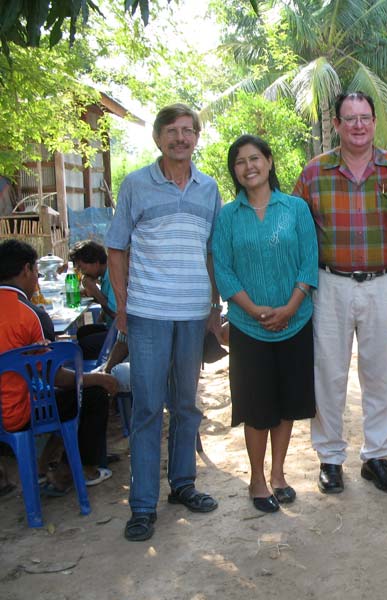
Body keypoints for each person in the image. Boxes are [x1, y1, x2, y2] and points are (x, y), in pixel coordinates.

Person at [293, 92, 387, 495]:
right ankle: (330, 459)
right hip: (329, 283)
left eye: (364, 117)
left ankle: (377, 457)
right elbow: (298, 234)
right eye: (349, 118)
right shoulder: (314, 173)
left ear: (374, 120)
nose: (357, 125)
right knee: (328, 373)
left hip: (383, 283)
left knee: (380, 374)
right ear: (336, 124)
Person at [106, 103, 223, 542]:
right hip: (148, 313)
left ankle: (183, 485)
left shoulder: (208, 189)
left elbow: (213, 252)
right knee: (148, 407)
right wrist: (122, 305)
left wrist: (214, 307)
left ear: (196, 137)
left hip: (193, 313)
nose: (180, 138)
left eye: (187, 131)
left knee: (187, 404)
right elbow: (116, 248)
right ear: (158, 138)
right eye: (171, 131)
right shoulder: (136, 184)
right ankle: (141, 506)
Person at [212, 135, 317, 513]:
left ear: (269, 162)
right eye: (240, 162)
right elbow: (222, 270)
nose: (248, 166)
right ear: (234, 171)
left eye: (255, 158)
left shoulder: (295, 209)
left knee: (287, 402)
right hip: (247, 325)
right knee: (257, 406)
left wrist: (290, 307)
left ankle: (278, 474)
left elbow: (309, 262)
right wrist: (255, 309)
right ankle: (256, 479)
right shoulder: (227, 216)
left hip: (296, 320)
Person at [0, 240, 117, 494]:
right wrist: (96, 379)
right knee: (91, 394)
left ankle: (33, 466)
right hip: (18, 412)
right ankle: (78, 469)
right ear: (26, 270)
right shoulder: (29, 314)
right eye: (36, 273)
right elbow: (52, 375)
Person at [68, 241, 118, 360]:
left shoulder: (113, 276)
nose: (82, 272)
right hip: (111, 326)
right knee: (83, 332)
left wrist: (94, 290)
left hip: (120, 333)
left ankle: (99, 371)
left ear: (95, 263)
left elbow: (115, 313)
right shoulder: (103, 276)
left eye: (83, 267)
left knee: (85, 344)